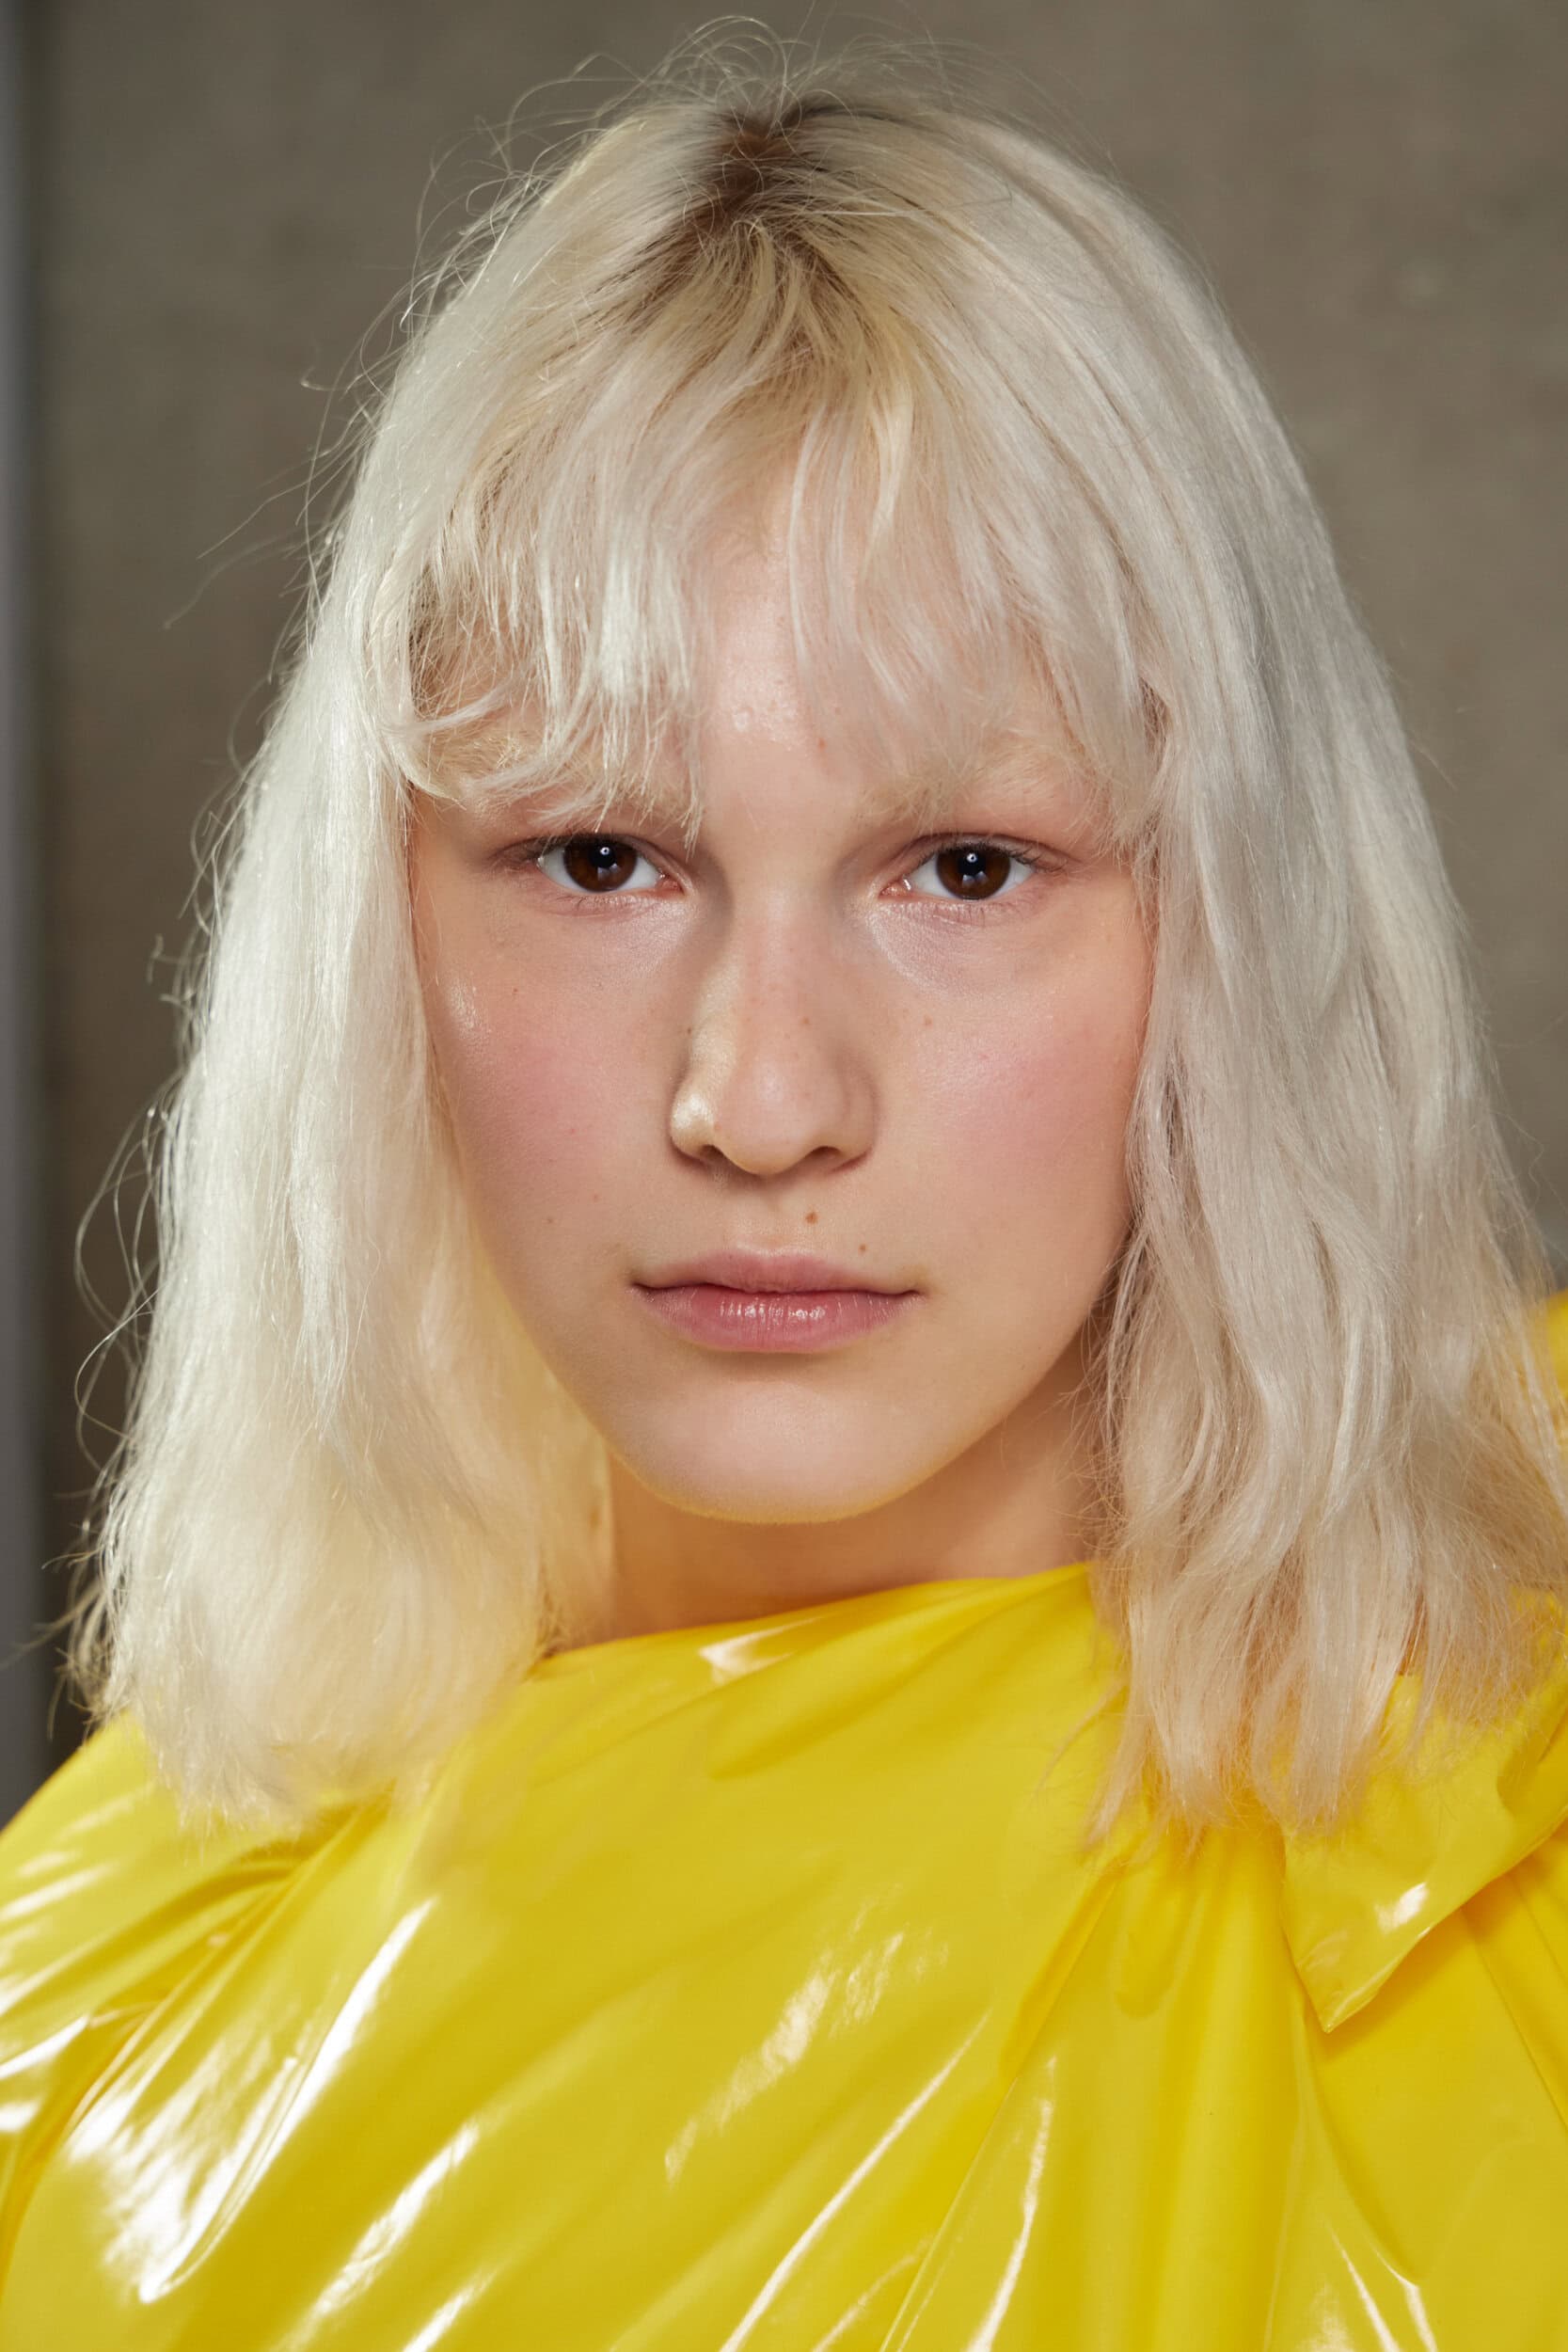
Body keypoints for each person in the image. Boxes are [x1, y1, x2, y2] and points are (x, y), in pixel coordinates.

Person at [3, 31, 1566, 2348]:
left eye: (966, 866)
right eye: (599, 857)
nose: (759, 1098)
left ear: (1240, 921)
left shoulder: (1507, 1890)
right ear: (374, 928)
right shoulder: (110, 1964)